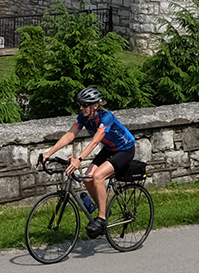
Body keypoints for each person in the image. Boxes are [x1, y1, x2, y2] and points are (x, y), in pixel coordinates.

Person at [37, 86, 136, 237]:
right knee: (88, 178)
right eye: (80, 104)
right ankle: (103, 209)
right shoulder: (84, 117)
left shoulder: (106, 117)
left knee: (98, 177)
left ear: (95, 105)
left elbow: (95, 142)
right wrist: (48, 153)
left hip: (125, 150)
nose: (81, 107)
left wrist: (79, 159)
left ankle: (102, 219)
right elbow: (70, 135)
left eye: (84, 105)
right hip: (110, 149)